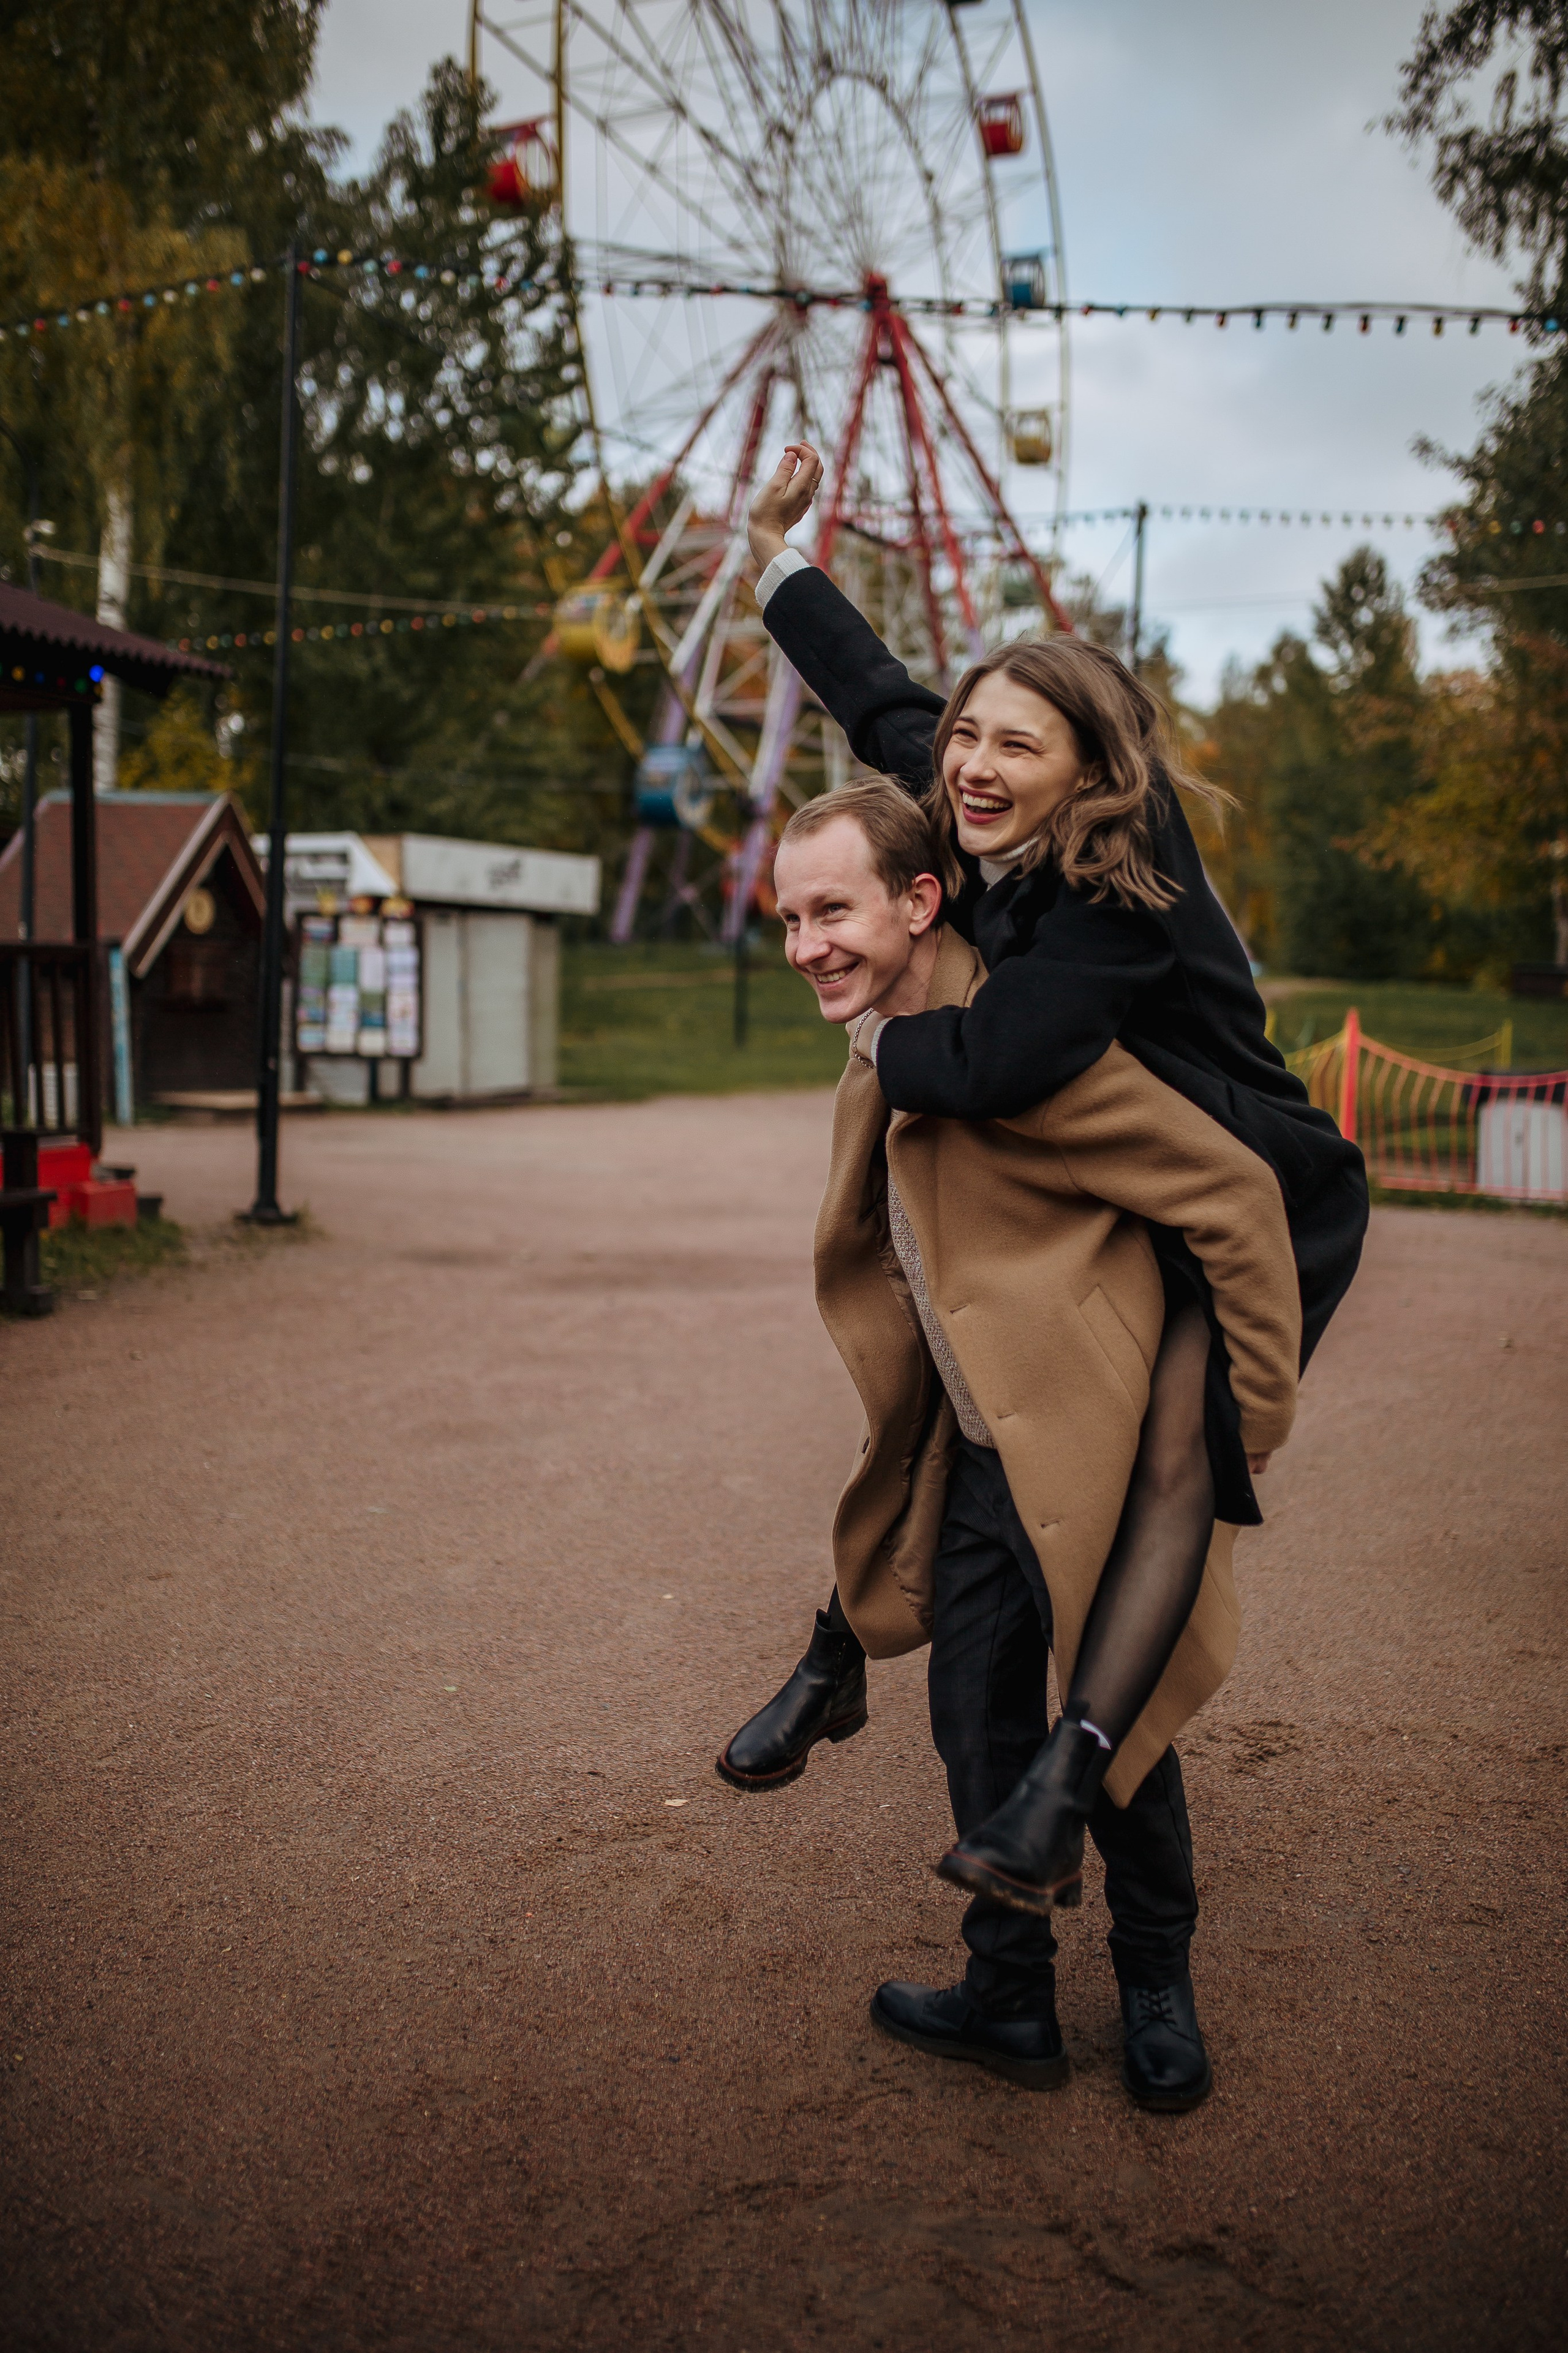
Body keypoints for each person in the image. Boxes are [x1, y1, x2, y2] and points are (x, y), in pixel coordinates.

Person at [720, 446, 1367, 1894]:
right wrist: (775, 560)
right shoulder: (969, 796)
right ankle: (843, 1655)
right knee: (983, 1391)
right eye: (969, 740)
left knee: (1167, 1465)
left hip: (1245, 1178)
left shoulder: (1116, 877)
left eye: (1016, 743)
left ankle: (1066, 1779)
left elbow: (1000, 1060)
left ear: (1090, 765)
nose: (969, 764)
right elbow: (883, 697)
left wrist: (881, 1048)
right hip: (1129, 1176)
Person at [719, 781, 1301, 2107]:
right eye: (788, 916)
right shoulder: (883, 1035)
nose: (805, 943)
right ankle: (1008, 1994)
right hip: (976, 1453)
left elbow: (1236, 1198)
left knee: (1115, 1730)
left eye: (831, 911)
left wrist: (1245, 1424)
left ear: (919, 901)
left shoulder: (1026, 1049)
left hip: (1092, 1457)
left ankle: (1156, 1982)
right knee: (974, 1719)